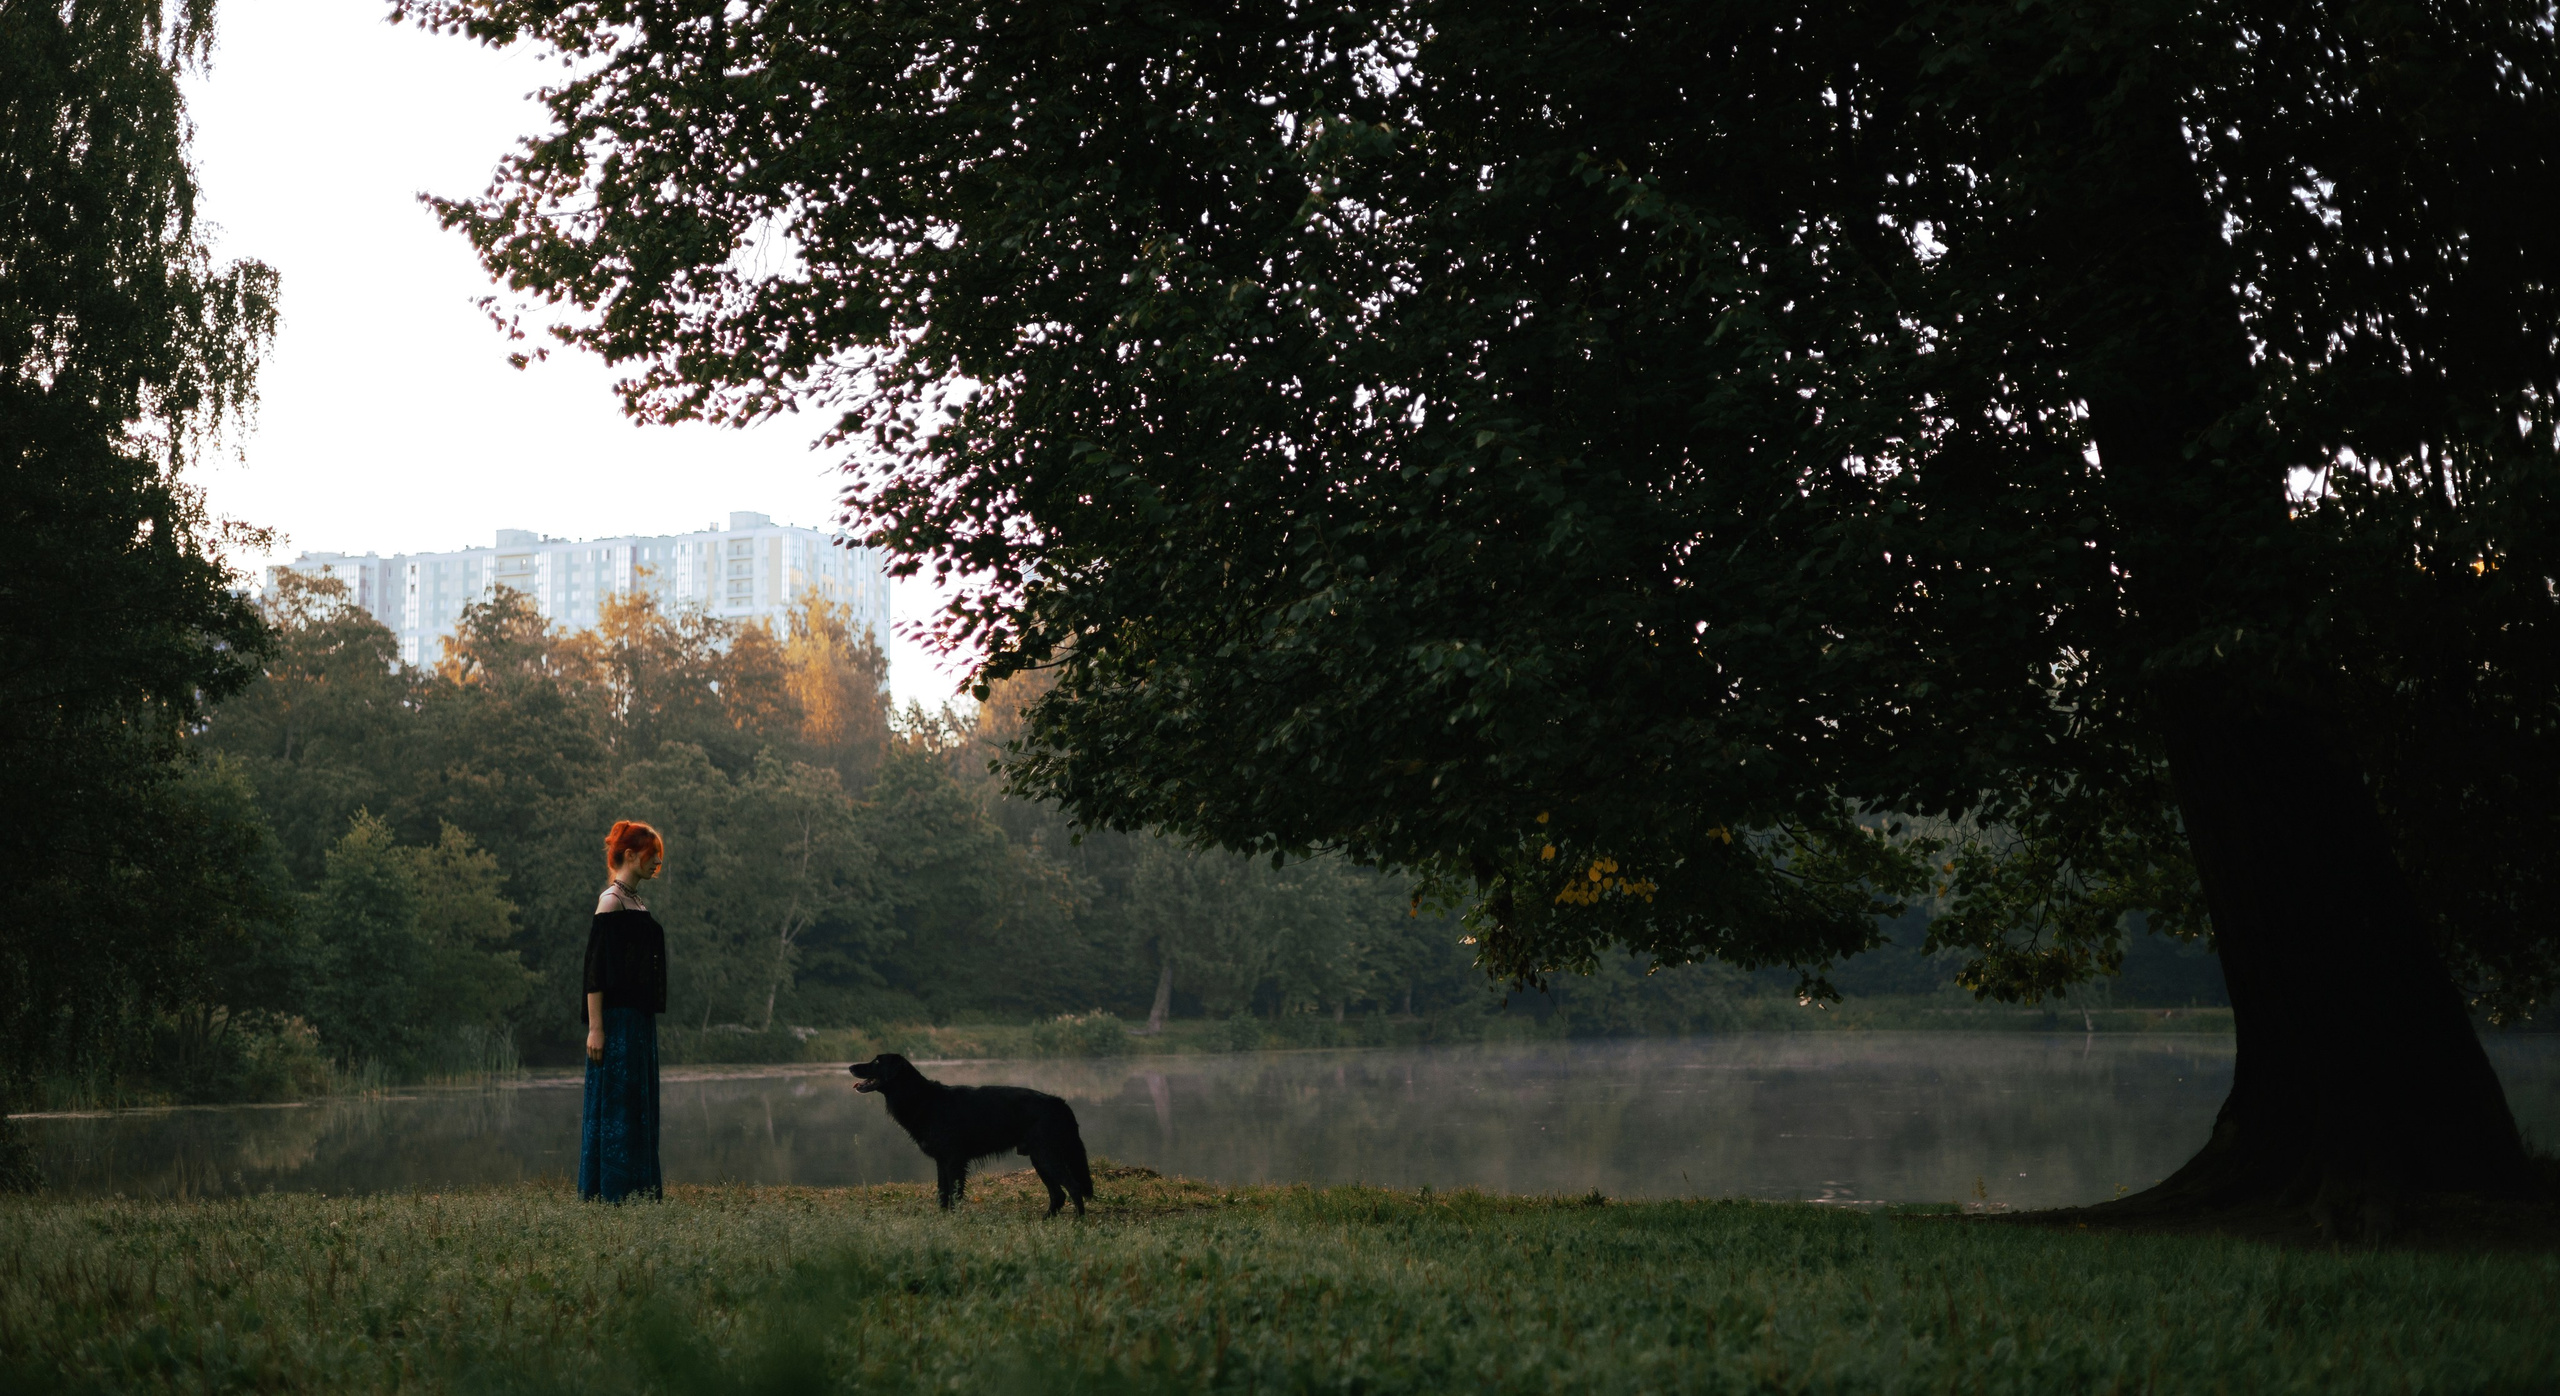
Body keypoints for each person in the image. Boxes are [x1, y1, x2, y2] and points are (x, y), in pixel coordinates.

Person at [580, 819, 667, 1202]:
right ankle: (611, 1193)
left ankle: (639, 1191)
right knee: (616, 1105)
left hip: (639, 1022)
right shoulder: (611, 902)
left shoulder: (637, 901)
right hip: (616, 1022)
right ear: (630, 855)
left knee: (637, 1105)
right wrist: (595, 1028)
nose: (657, 865)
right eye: (652, 857)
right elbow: (595, 972)